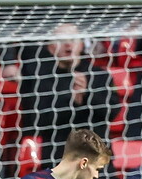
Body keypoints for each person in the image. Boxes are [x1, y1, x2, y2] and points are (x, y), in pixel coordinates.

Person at [19, 23, 120, 167]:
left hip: (95, 159)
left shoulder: (99, 75)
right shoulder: (41, 78)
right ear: (51, 46)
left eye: (73, 39)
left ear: (81, 44)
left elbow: (112, 112)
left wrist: (87, 95)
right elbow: (36, 121)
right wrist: (70, 101)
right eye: (62, 41)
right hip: (57, 159)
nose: (68, 45)